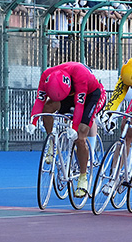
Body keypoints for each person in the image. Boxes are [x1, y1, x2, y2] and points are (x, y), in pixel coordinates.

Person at [26, 62, 106, 197]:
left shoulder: (79, 74)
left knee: (80, 135)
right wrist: (32, 122)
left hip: (91, 95)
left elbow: (79, 106)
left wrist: (74, 128)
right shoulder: (46, 76)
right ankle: (52, 144)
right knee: (48, 108)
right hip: (67, 95)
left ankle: (83, 177)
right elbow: (40, 102)